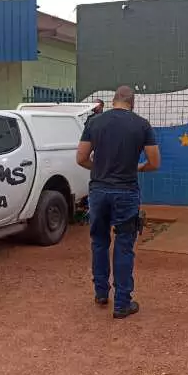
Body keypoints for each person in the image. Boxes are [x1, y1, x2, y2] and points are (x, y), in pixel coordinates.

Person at [76, 86, 160, 319]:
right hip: (126, 192)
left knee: (99, 241)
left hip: (99, 191)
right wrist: (139, 167)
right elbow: (154, 162)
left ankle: (101, 293)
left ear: (113, 101)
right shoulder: (141, 124)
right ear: (132, 103)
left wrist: (100, 168)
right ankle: (122, 303)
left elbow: (81, 158)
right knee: (124, 245)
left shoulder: (95, 123)